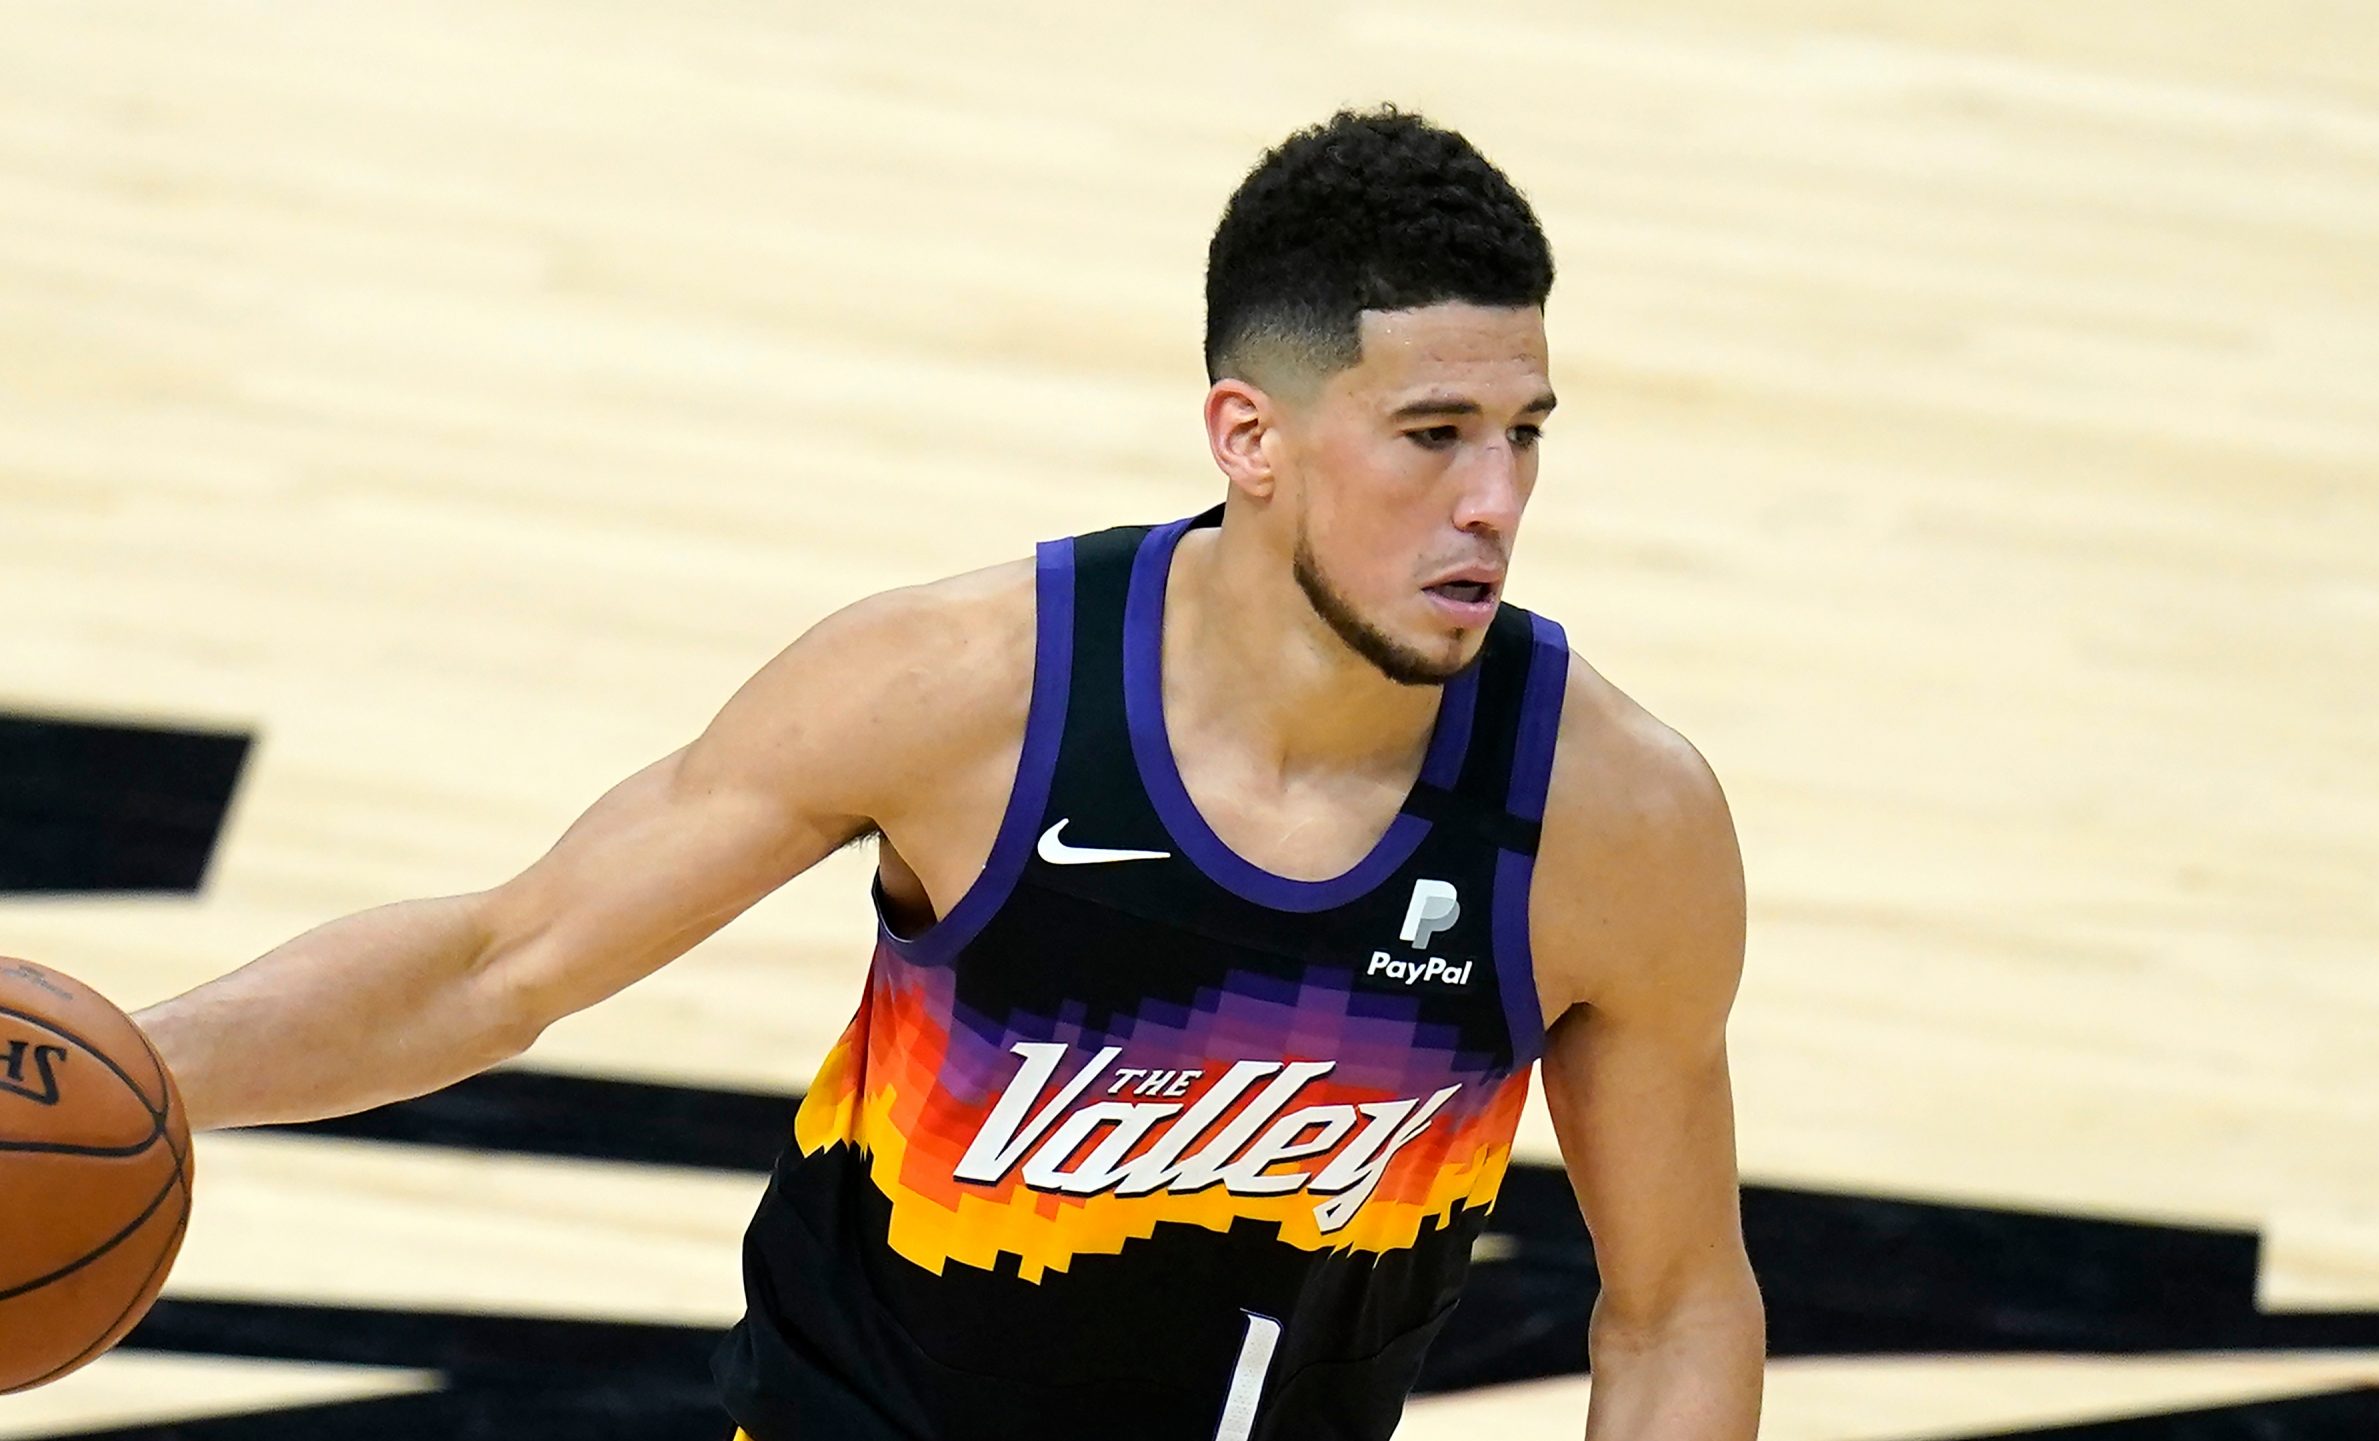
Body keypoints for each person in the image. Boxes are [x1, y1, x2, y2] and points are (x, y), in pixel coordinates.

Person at [138, 106, 1763, 1440]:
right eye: (1433, 434)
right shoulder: (963, 696)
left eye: (1526, 432)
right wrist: (125, 1067)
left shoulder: (1613, 821)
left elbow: (1678, 1304)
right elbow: (501, 964)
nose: (1496, 498)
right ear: (1247, 434)